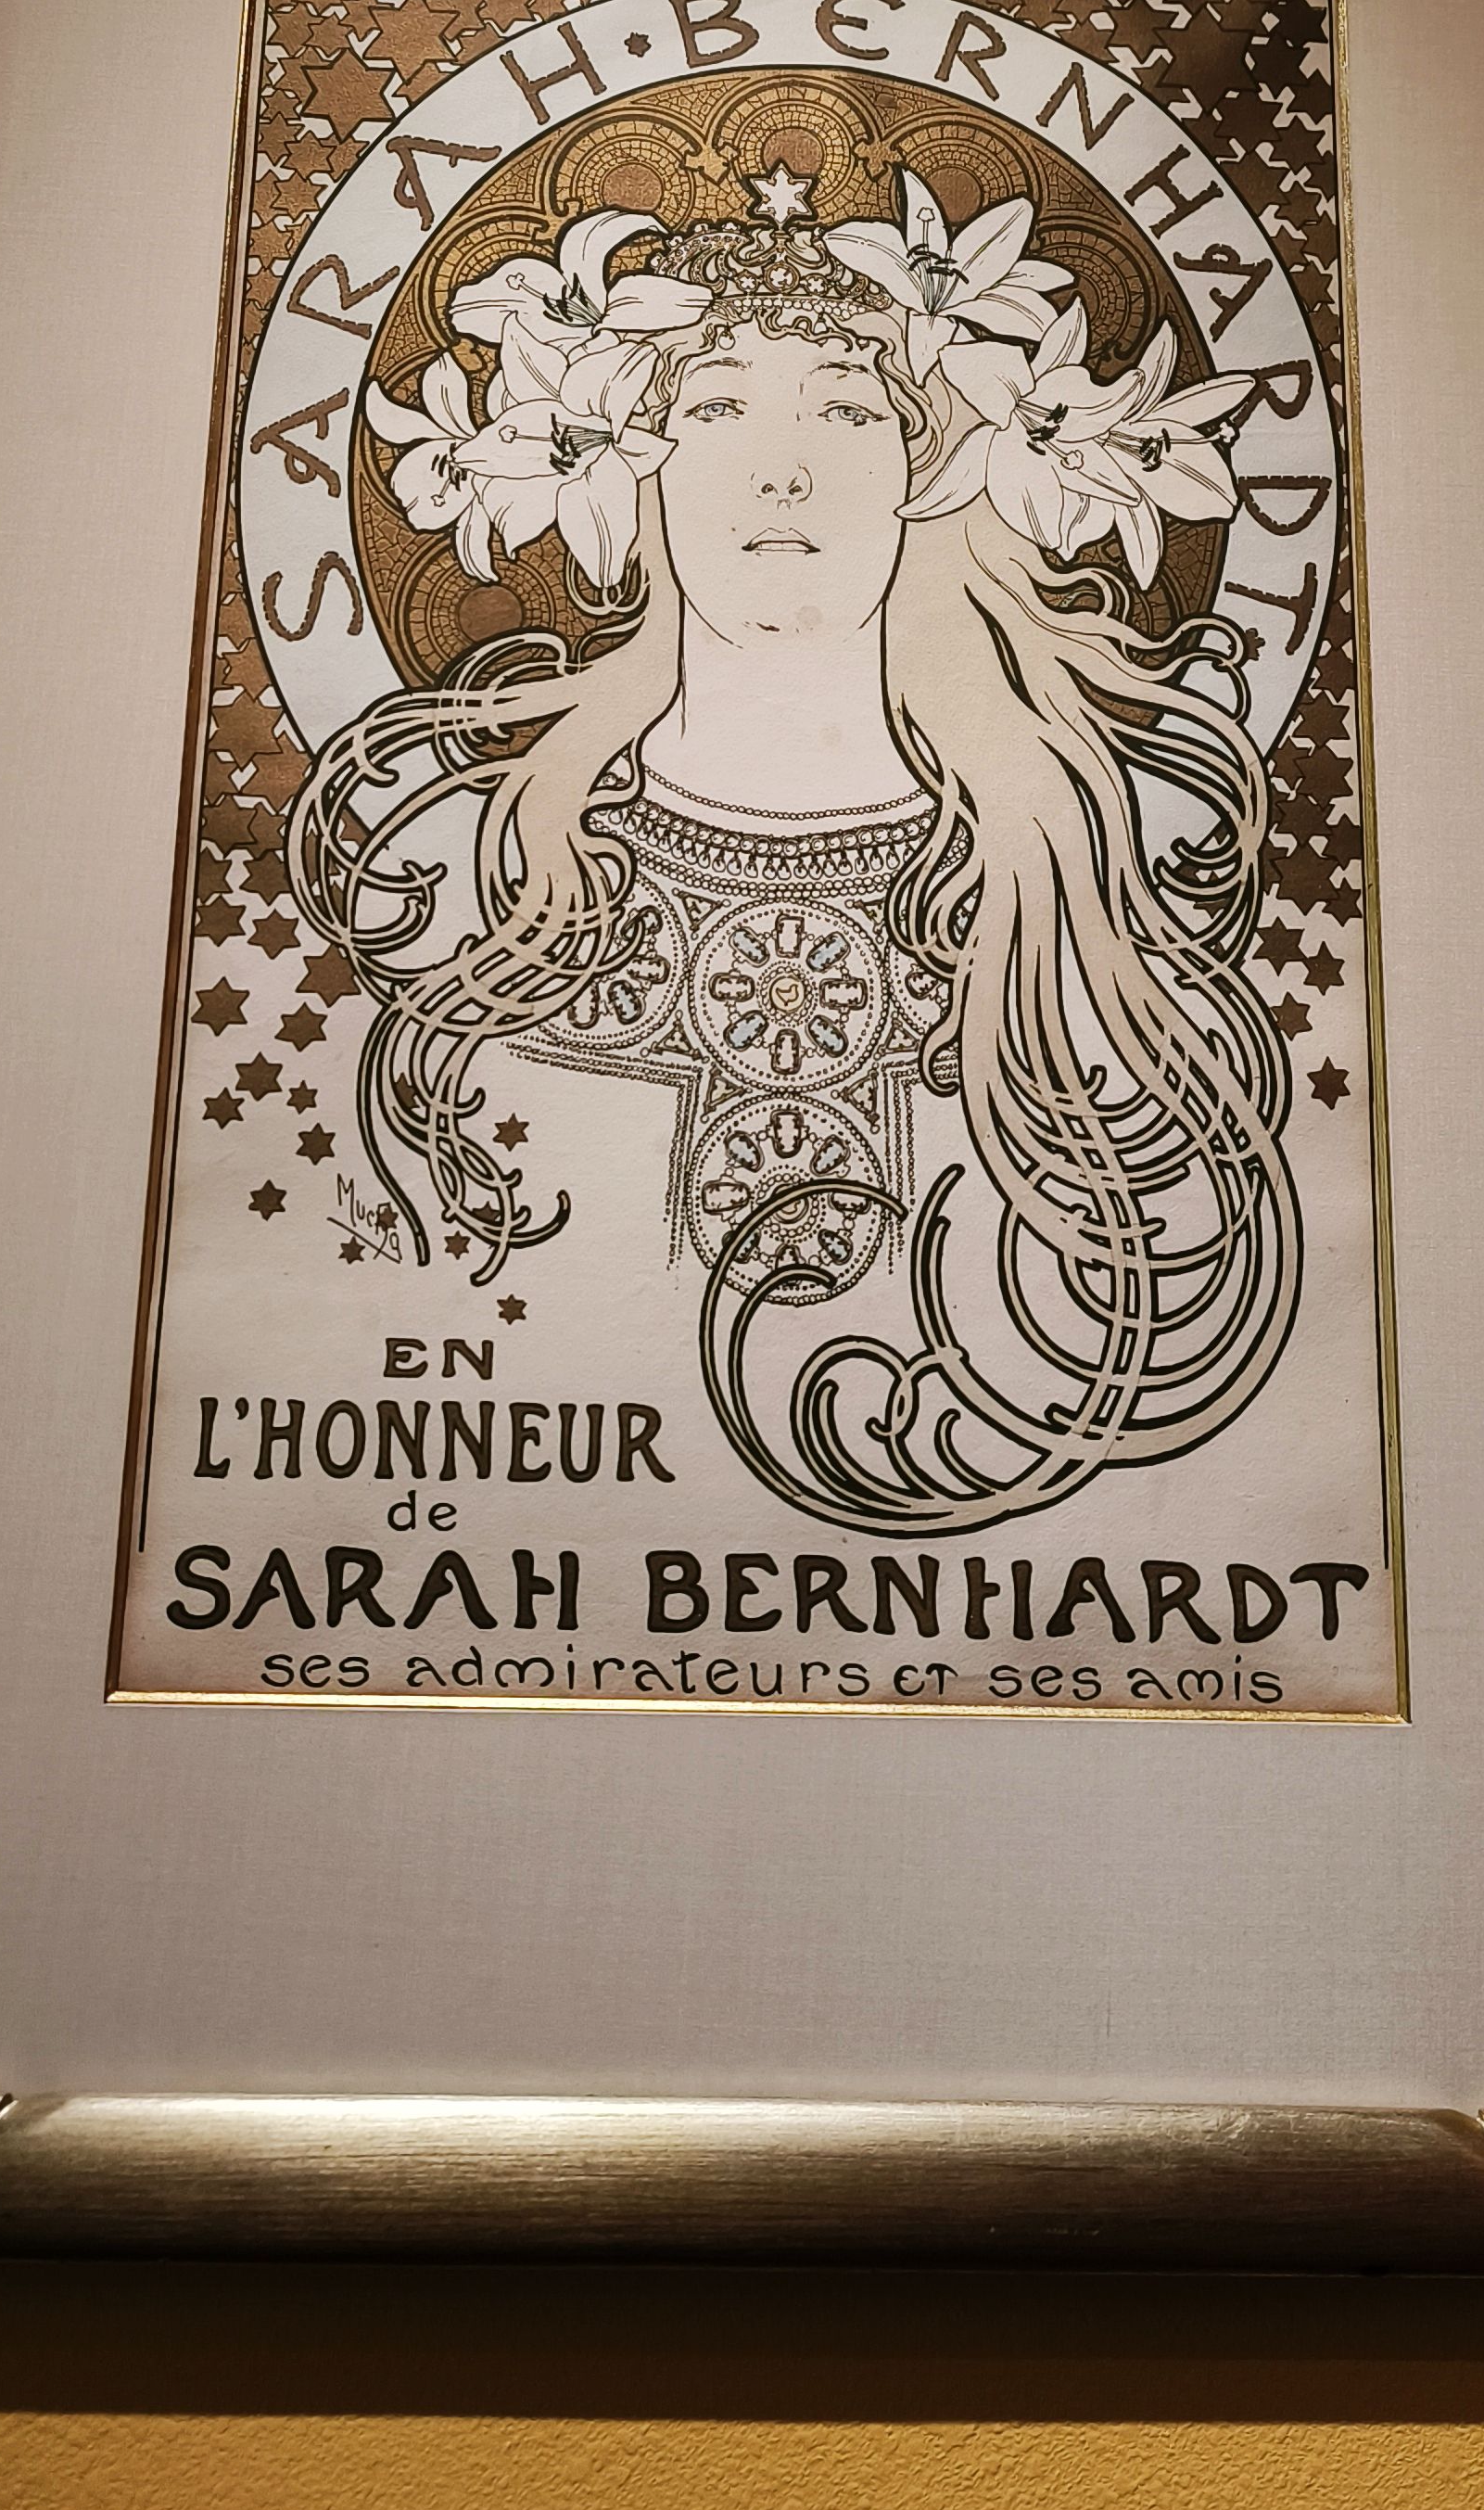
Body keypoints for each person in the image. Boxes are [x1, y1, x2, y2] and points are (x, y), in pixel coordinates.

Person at [288, 165, 1301, 1531]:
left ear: (940, 471)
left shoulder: (1054, 894)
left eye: (848, 409)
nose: (785, 470)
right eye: (713, 410)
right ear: (620, 472)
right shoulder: (494, 886)